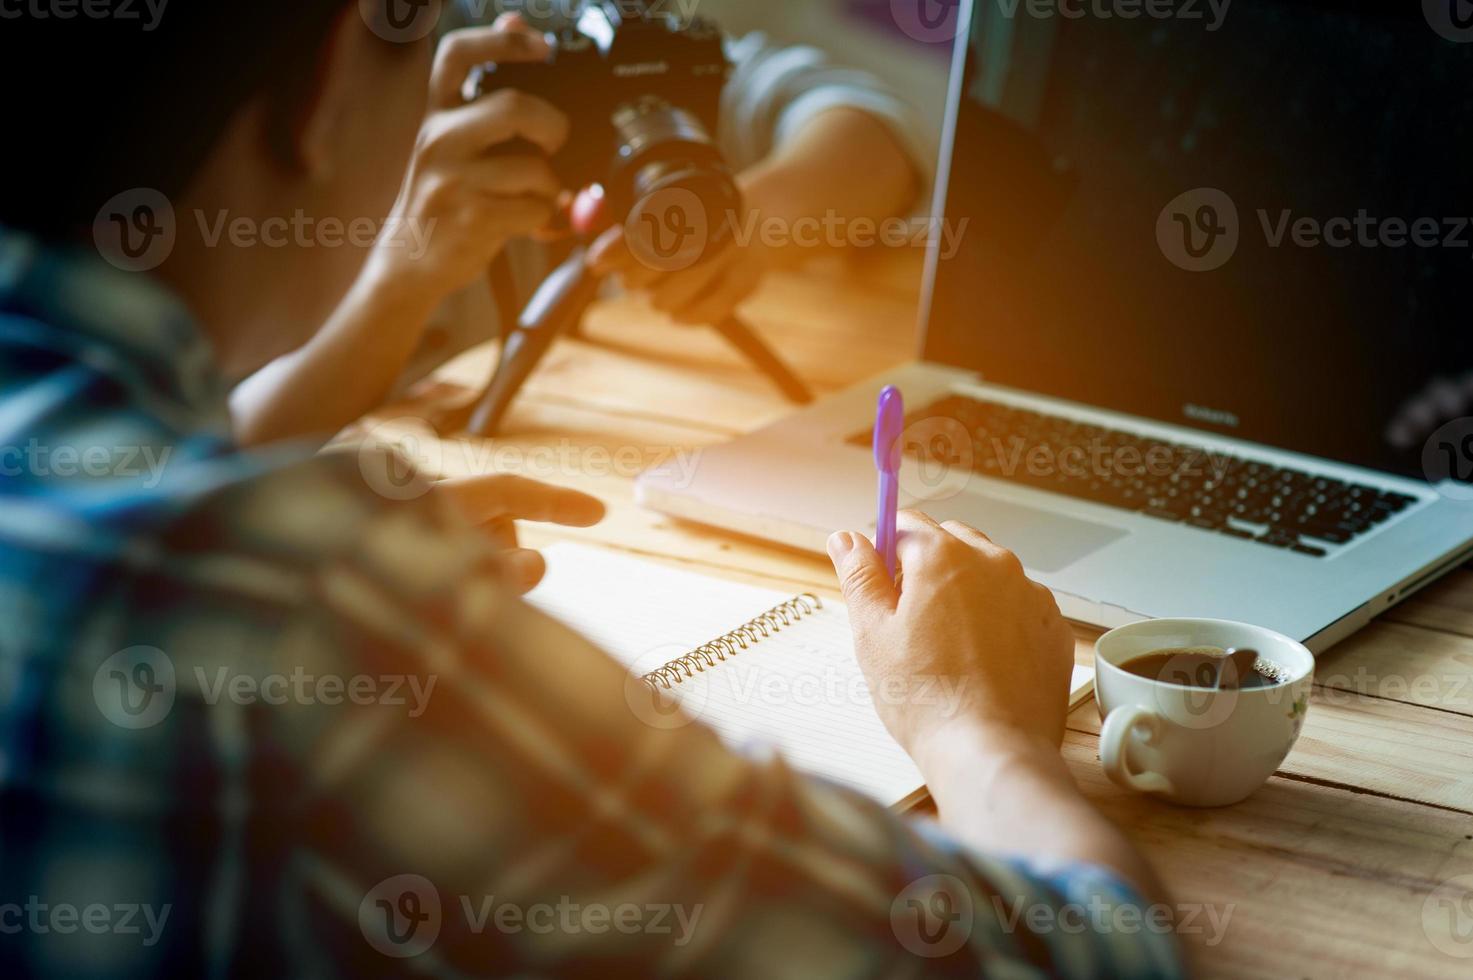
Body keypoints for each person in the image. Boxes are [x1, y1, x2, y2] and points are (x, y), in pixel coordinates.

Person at [0, 5, 1184, 977]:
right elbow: (1096, 957)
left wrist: (290, 532)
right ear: (319, 95)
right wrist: (973, 723)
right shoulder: (292, 603)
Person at [230, 6, 934, 447]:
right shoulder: (275, 122)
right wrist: (401, 280)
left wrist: (751, 227)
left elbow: (873, 131)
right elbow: (214, 460)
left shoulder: (569, 36)